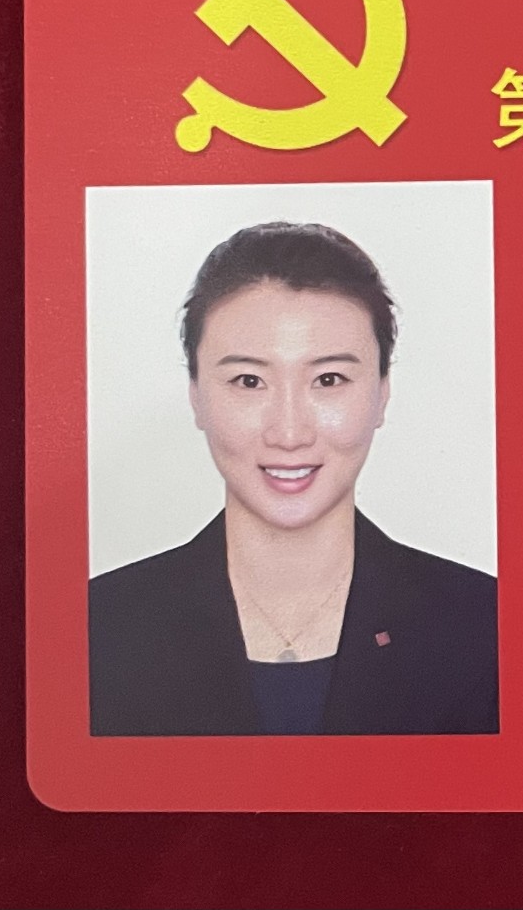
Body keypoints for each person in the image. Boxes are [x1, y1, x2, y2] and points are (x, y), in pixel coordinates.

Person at [88, 221, 499, 735]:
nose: (288, 433)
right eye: (248, 381)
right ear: (196, 395)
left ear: (382, 394)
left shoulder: (485, 628)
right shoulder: (98, 628)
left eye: (329, 379)